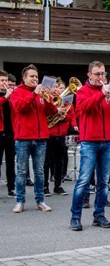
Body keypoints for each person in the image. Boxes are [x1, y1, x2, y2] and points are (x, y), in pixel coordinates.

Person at [70, 61, 110, 231]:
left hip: (107, 140)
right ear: (89, 75)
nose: (101, 77)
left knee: (103, 182)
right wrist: (102, 94)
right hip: (89, 141)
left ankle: (99, 215)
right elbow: (84, 108)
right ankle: (75, 217)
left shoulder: (106, 91)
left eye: (103, 73)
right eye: (97, 74)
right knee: (84, 180)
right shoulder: (82, 92)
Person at [10, 64, 59, 213]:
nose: (35, 79)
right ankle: (20, 201)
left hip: (40, 138)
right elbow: (20, 108)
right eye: (32, 76)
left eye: (36, 76)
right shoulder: (17, 92)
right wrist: (34, 94)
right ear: (24, 78)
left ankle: (40, 200)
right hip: (23, 137)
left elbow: (52, 111)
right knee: (22, 171)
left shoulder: (41, 94)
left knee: (39, 171)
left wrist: (50, 96)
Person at [43, 77, 78, 196]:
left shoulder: (67, 101)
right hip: (49, 134)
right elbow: (44, 114)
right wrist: (55, 110)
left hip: (61, 134)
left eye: (59, 87)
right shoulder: (48, 99)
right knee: (47, 162)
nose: (57, 89)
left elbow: (71, 116)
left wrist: (64, 117)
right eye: (56, 87)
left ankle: (58, 185)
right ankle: (45, 186)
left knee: (59, 161)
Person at [0, 73, 16, 197]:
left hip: (10, 132)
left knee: (11, 162)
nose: (4, 82)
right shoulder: (5, 95)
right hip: (0, 132)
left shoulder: (11, 95)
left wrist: (11, 98)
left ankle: (11, 187)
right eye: (2, 80)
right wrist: (5, 97)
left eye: (6, 80)